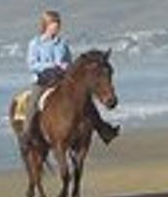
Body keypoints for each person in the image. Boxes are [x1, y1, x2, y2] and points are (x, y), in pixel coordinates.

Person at [26, 9, 119, 143]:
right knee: (33, 105)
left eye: (58, 24)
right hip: (43, 80)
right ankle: (27, 135)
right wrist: (51, 65)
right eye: (54, 24)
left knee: (87, 102)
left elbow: (69, 62)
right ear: (46, 25)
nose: (57, 27)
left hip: (61, 78)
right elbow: (32, 64)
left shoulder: (62, 44)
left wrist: (65, 66)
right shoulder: (35, 43)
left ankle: (104, 130)